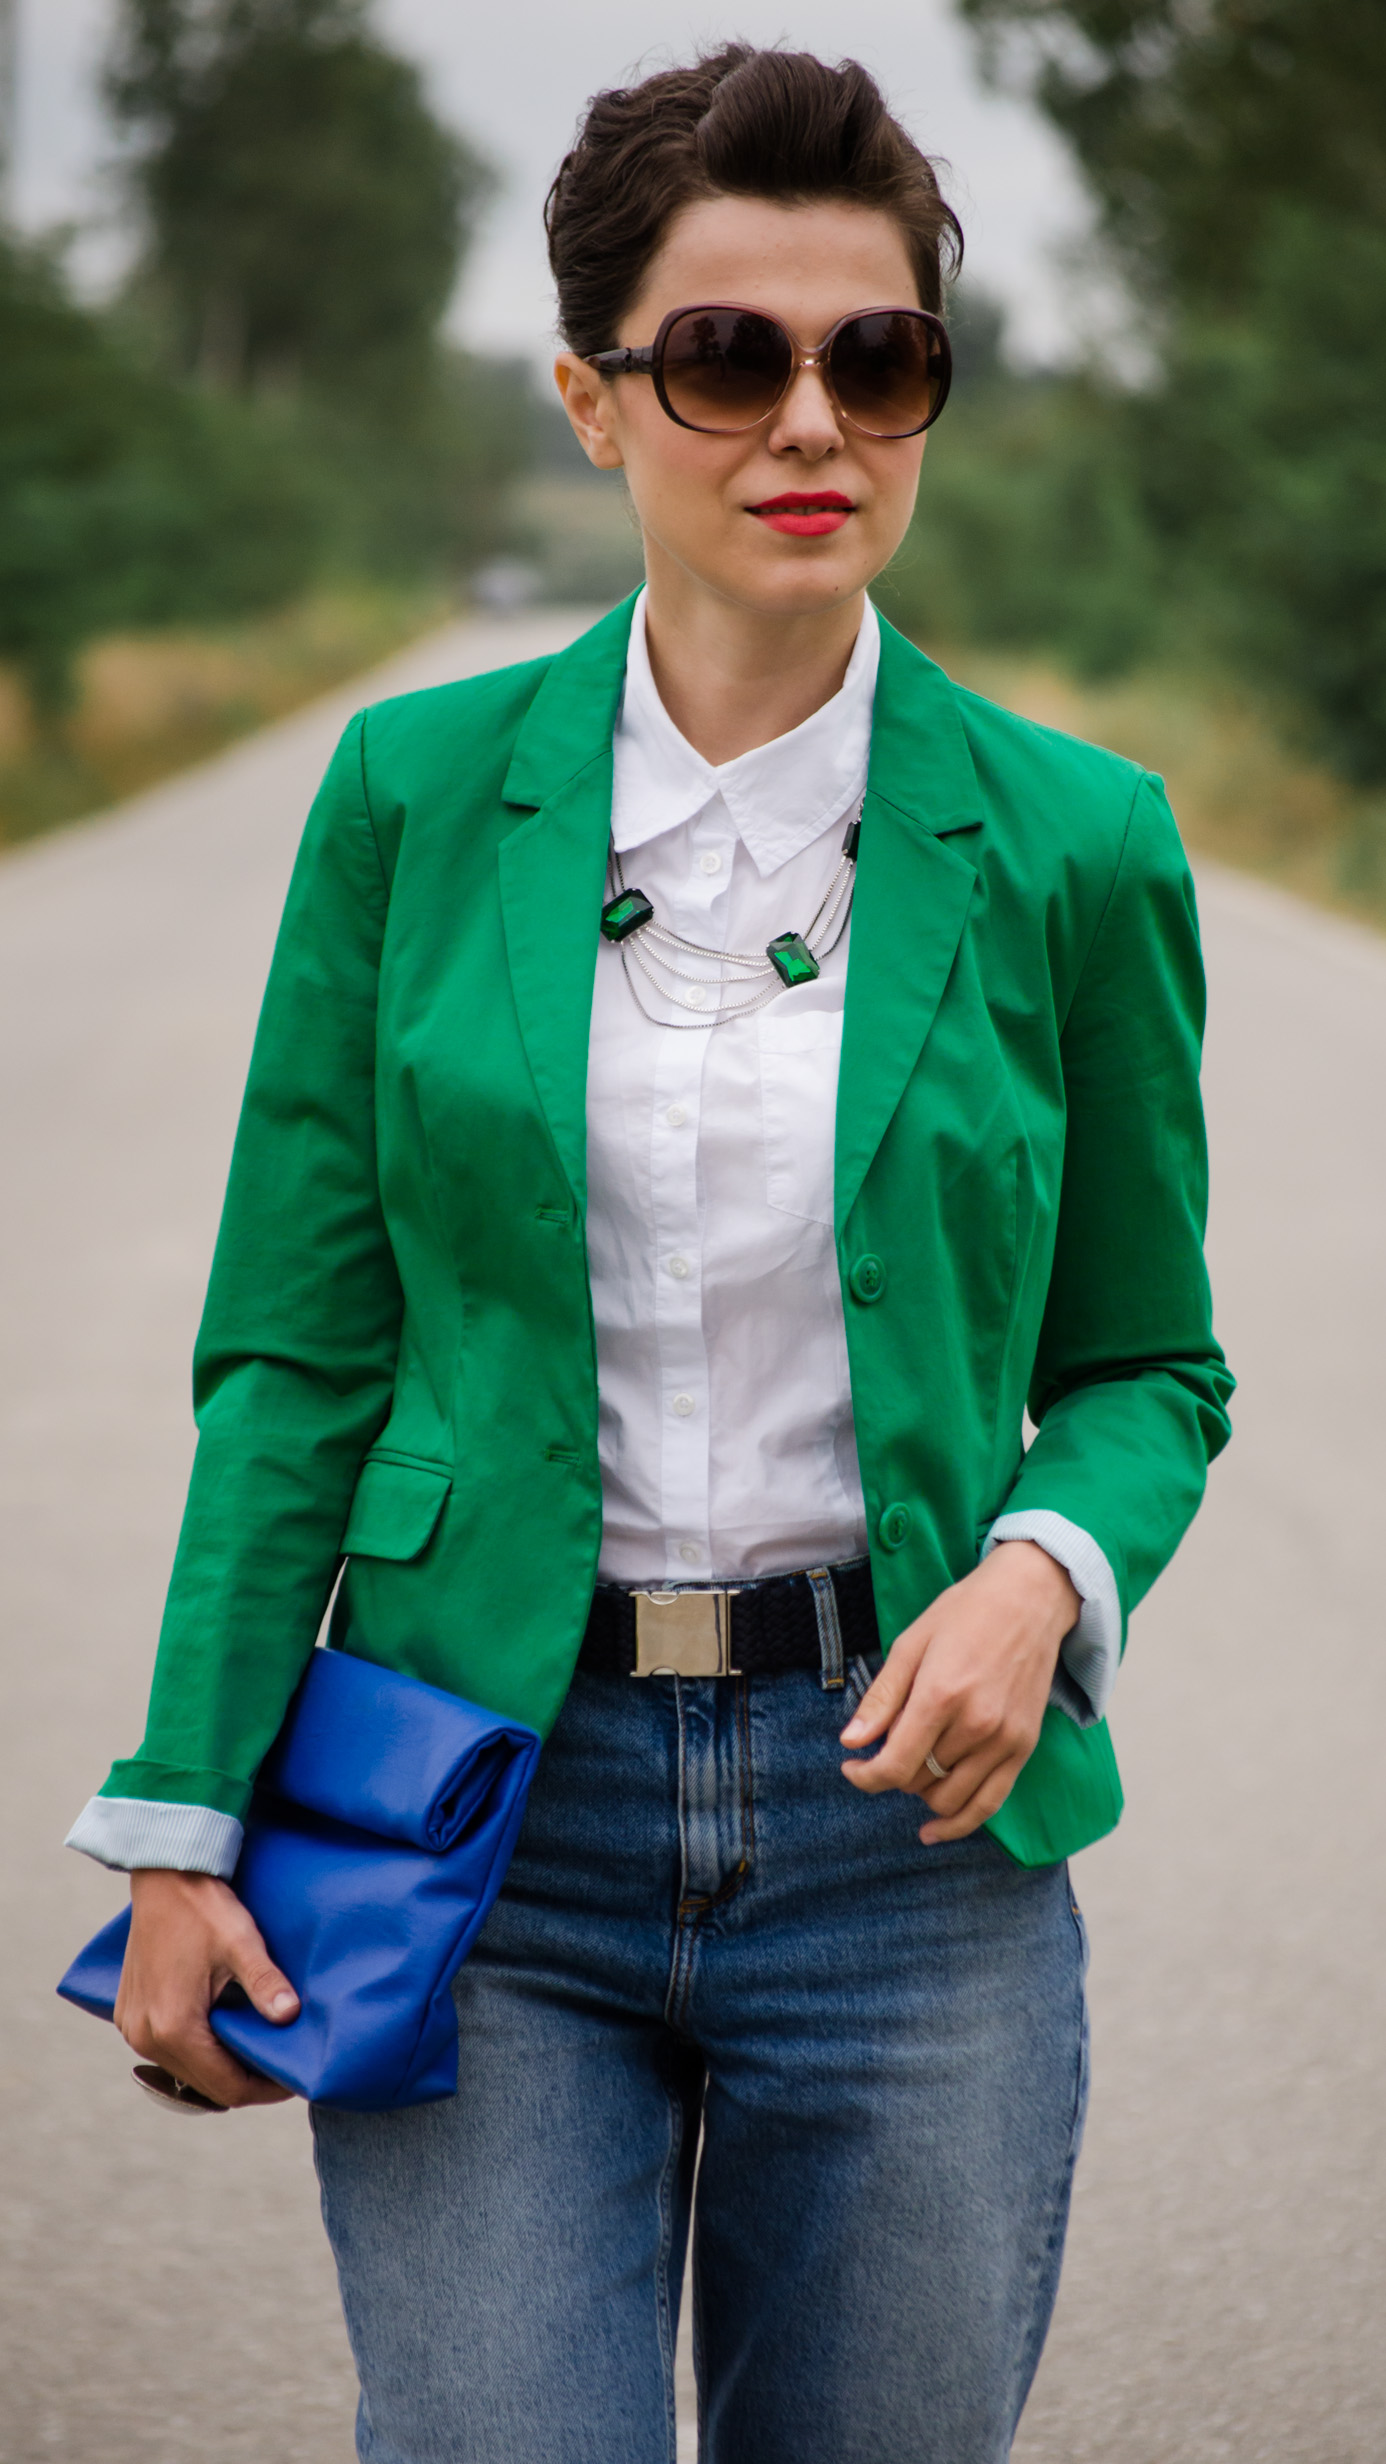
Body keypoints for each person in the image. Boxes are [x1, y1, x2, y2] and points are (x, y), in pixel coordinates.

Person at [66, 44, 1232, 2464]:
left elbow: (1149, 1363)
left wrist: (1041, 1573)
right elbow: (293, 1353)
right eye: (730, 356)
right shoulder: (408, 798)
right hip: (481, 1811)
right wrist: (186, 1811)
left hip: (907, 1835)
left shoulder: (1081, 843)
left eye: (878, 356)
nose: (813, 418)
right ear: (597, 401)